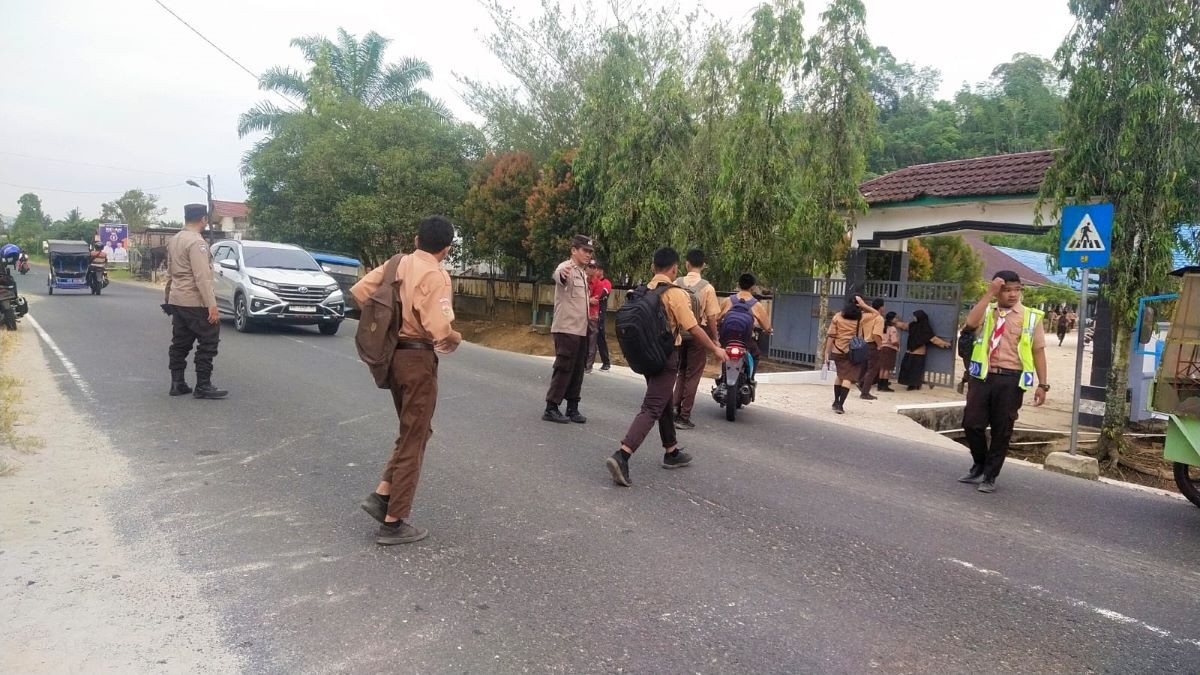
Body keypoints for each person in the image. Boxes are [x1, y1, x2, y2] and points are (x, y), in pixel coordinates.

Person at [354, 215, 462, 544]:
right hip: (417, 360)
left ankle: (382, 494)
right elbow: (439, 327)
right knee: (415, 435)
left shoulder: (397, 263)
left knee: (413, 428)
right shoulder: (436, 274)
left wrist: (391, 322)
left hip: (392, 357)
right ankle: (393, 521)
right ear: (446, 249)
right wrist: (453, 336)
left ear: (417, 240)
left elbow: (360, 293)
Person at [605, 247, 727, 487]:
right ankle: (623, 455)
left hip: (645, 356)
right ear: (674, 269)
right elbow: (693, 328)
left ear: (653, 268)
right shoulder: (675, 294)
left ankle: (671, 452)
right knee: (652, 406)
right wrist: (715, 348)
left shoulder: (642, 290)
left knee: (662, 402)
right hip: (665, 357)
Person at [959, 270, 1048, 493]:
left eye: (1017, 289)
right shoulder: (987, 310)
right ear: (998, 290)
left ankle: (990, 475)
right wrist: (989, 293)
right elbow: (970, 323)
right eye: (1007, 290)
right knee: (972, 423)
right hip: (982, 377)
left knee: (1002, 429)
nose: (1013, 294)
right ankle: (979, 464)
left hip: (1011, 379)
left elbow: (1038, 351)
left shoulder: (1030, 316)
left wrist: (1043, 384)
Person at [164, 204, 226, 399]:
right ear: (203, 220)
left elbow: (170, 273)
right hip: (194, 300)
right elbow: (202, 277)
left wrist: (168, 298)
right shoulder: (197, 243)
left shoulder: (174, 240)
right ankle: (203, 385)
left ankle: (177, 383)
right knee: (209, 340)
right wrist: (212, 305)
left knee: (180, 342)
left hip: (178, 299)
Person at [543, 234, 594, 424]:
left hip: (580, 329)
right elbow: (559, 275)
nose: (588, 255)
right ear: (574, 250)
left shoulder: (582, 272)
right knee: (564, 367)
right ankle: (551, 407)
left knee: (578, 369)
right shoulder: (567, 268)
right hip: (566, 329)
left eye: (590, 252)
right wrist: (562, 273)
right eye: (585, 251)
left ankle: (573, 406)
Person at [671, 249, 720, 430]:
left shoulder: (677, 283)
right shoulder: (707, 287)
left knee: (681, 371)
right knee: (693, 375)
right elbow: (712, 317)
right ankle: (684, 417)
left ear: (686, 264)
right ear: (703, 265)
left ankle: (674, 408)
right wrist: (715, 339)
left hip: (678, 333)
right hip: (697, 334)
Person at [821, 295, 877, 414]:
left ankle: (836, 402)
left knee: (840, 376)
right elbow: (876, 314)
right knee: (847, 378)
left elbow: (831, 336)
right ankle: (840, 405)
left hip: (837, 351)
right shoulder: (861, 318)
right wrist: (864, 305)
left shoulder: (838, 317)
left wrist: (827, 352)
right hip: (853, 352)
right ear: (858, 305)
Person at [717, 273, 772, 381]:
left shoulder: (728, 301)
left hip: (727, 340)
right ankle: (750, 379)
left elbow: (716, 319)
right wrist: (769, 330)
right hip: (745, 341)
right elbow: (767, 327)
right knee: (755, 354)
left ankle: (723, 377)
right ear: (753, 287)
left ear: (738, 285)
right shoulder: (756, 305)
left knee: (724, 354)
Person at [897, 310, 952, 390]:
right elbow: (904, 325)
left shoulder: (925, 328)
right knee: (909, 369)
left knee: (915, 370)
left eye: (915, 316)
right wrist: (893, 322)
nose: (913, 318)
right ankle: (911, 384)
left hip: (918, 352)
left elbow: (934, 339)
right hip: (910, 351)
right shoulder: (913, 325)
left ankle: (914, 384)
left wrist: (946, 344)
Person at [585, 261, 613, 373]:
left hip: (599, 311)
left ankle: (606, 362)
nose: (596, 271)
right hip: (589, 311)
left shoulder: (605, 283)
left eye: (597, 269)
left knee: (599, 336)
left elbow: (601, 295)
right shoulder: (588, 280)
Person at [857, 298, 886, 399]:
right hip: (873, 344)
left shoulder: (864, 316)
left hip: (864, 343)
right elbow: (876, 334)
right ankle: (865, 392)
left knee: (865, 367)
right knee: (872, 369)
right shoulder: (879, 318)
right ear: (881, 307)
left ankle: (861, 383)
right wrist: (880, 345)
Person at [876, 311, 900, 392]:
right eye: (895, 318)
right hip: (890, 349)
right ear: (891, 319)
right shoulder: (892, 329)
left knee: (882, 368)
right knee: (887, 368)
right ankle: (885, 386)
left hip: (882, 347)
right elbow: (894, 341)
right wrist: (898, 345)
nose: (897, 319)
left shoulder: (883, 327)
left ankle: (880, 385)